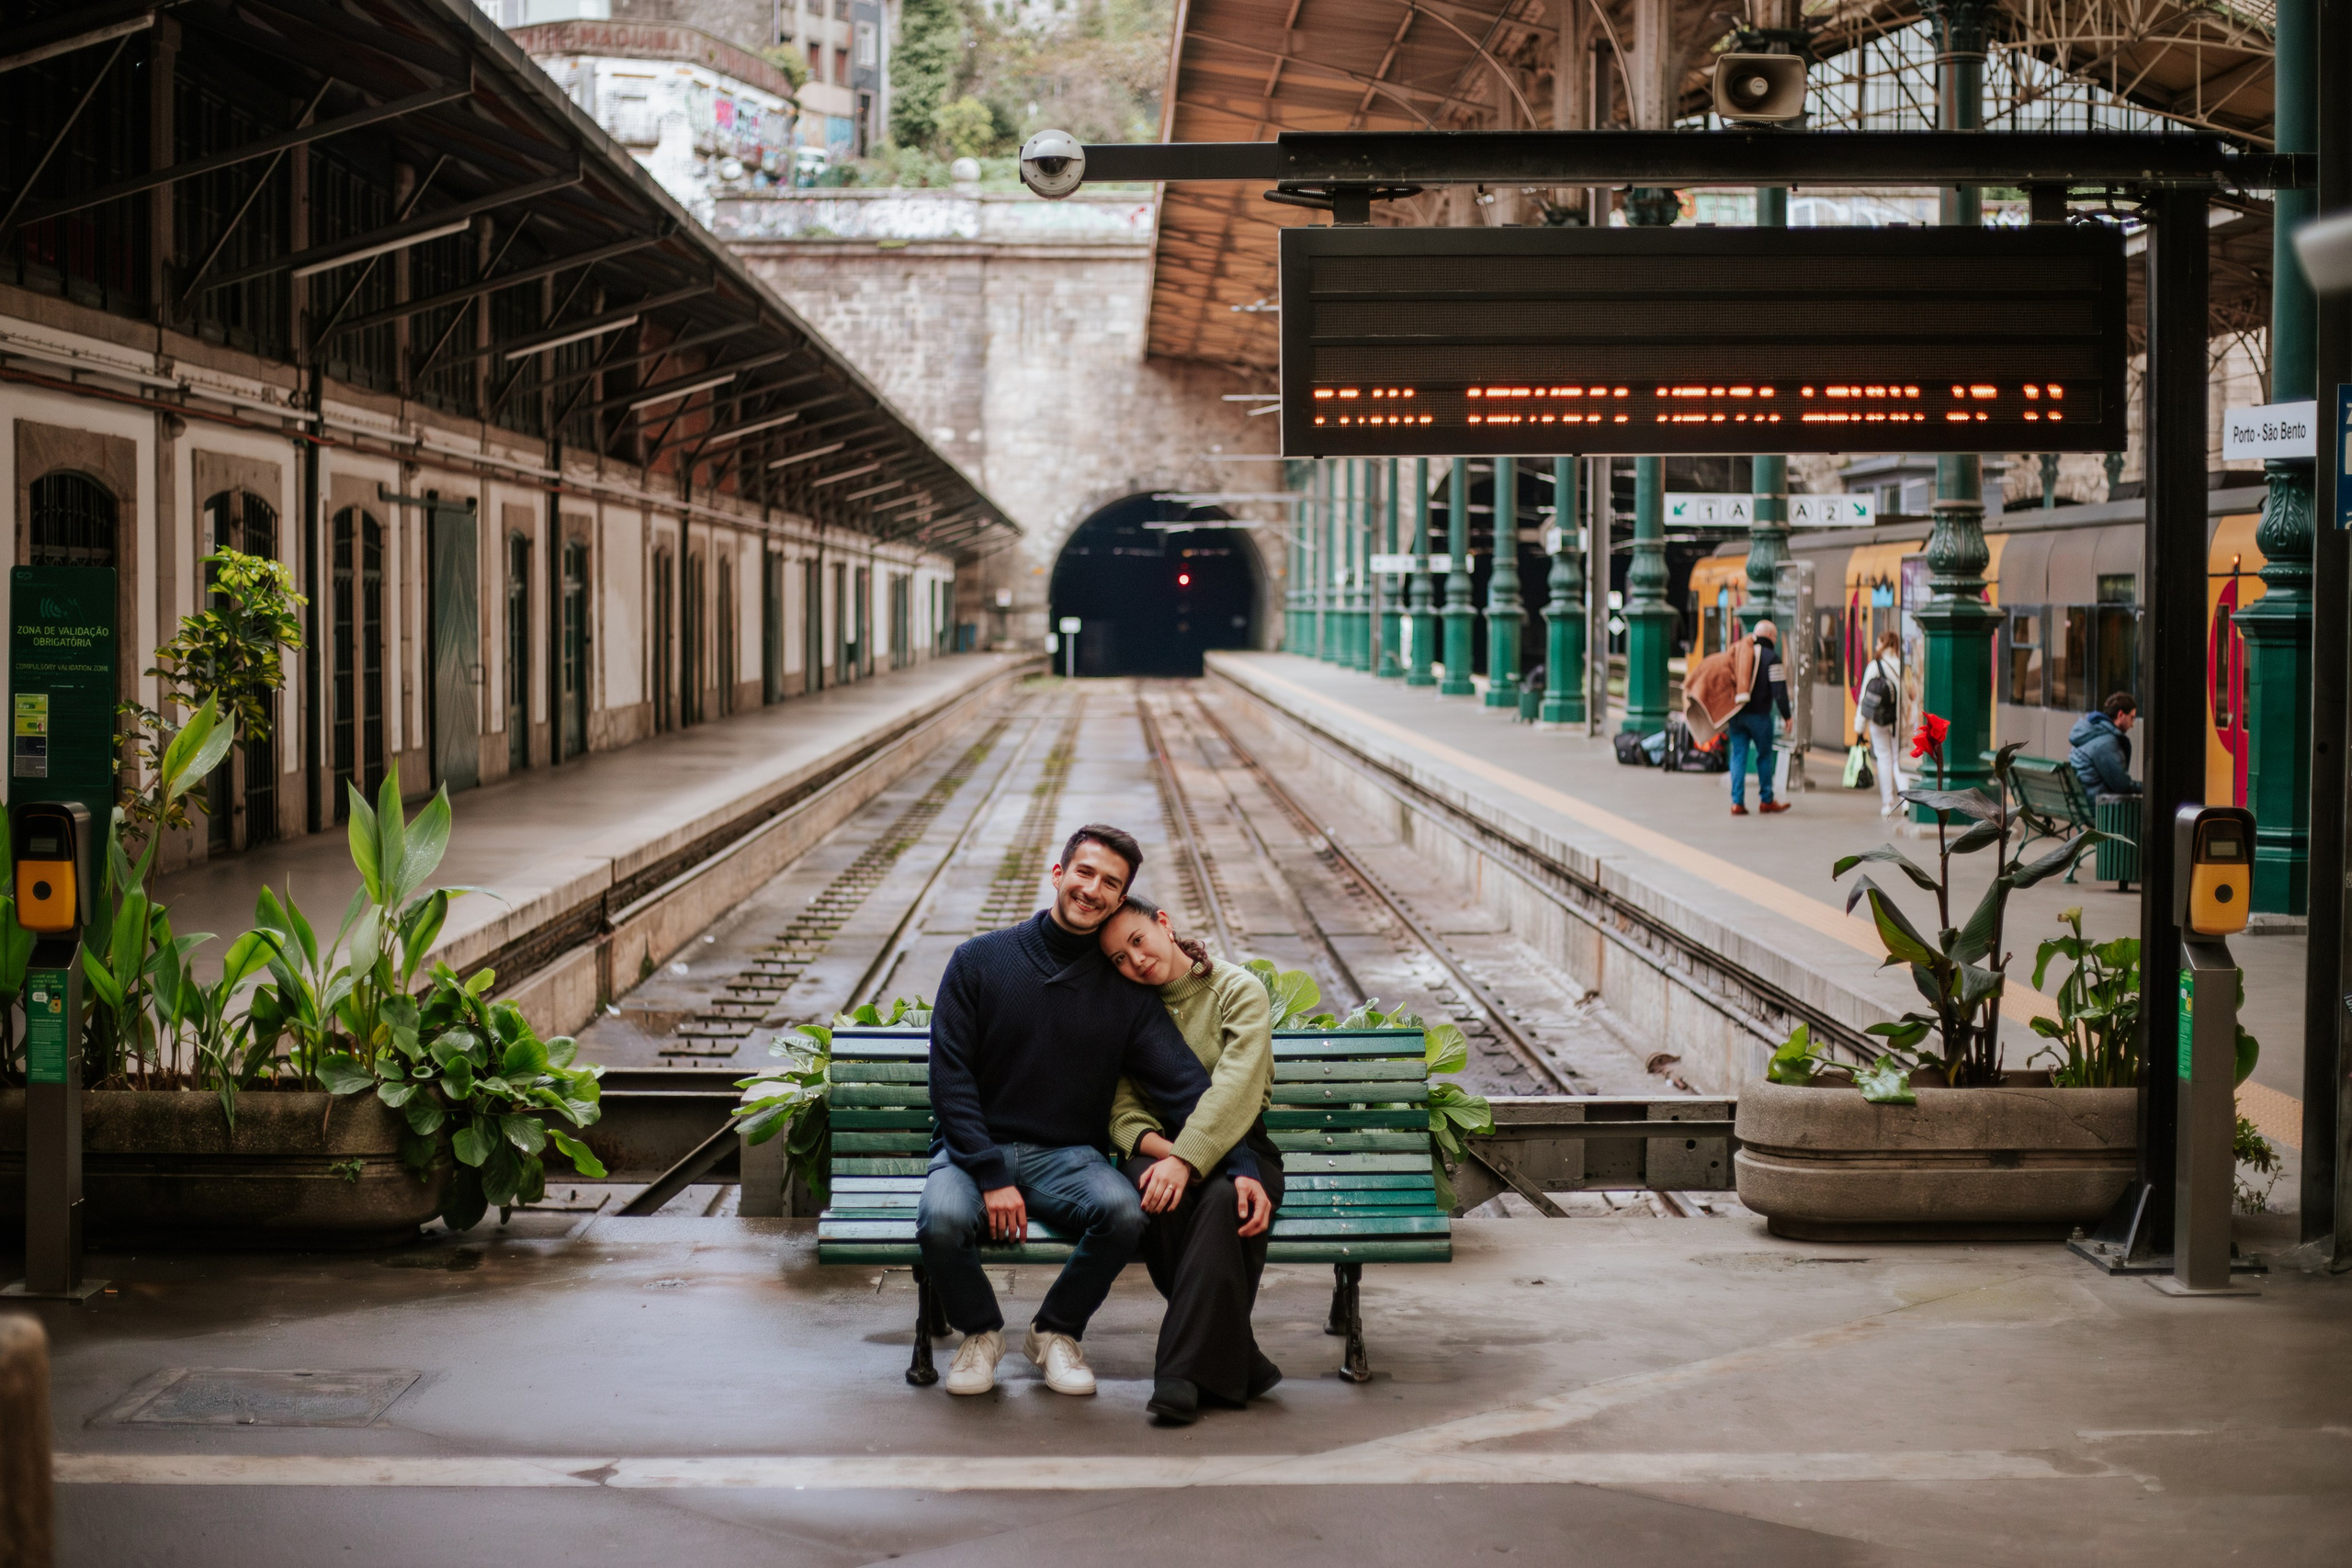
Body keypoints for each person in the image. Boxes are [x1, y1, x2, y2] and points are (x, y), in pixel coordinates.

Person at [918, 824, 1244, 1399]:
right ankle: (981, 1333)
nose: (1092, 889)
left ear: (1120, 899)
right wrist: (991, 1175)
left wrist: (1239, 1164)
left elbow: (1184, 1085)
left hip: (1067, 1156)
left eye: (1110, 883)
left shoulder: (1125, 990)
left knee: (1124, 1213)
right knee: (941, 1220)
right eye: (1085, 872)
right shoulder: (978, 960)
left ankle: (1055, 1332)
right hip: (973, 1152)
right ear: (1059, 874)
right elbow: (950, 1078)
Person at [1099, 896, 1282, 1426]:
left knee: (1224, 1199)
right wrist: (1172, 1157)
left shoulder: (1236, 990)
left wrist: (1189, 1158)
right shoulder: (1127, 1008)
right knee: (1162, 1198)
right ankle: (1238, 1355)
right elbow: (1123, 1114)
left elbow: (1236, 1091)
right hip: (1154, 1151)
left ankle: (1177, 1373)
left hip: (1243, 1145)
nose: (1135, 961)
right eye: (1118, 958)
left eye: (1138, 941)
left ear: (1164, 923)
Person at [1726, 619, 1792, 816]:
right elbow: (1779, 691)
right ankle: (1766, 800)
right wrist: (1787, 716)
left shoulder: (1739, 652)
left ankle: (1737, 802)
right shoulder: (1771, 657)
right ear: (1771, 636)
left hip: (1737, 714)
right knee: (1764, 756)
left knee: (1738, 755)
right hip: (1759, 716)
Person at [1855, 630, 1907, 818]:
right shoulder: (1902, 665)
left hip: (1879, 720)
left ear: (1884, 645)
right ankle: (1907, 801)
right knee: (1898, 759)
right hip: (1898, 721)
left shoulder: (1875, 666)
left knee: (1884, 758)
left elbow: (1865, 699)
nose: (1876, 647)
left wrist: (1859, 727)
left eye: (1878, 643)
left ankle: (1888, 803)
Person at [2069, 693, 2142, 799]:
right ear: (2121, 715)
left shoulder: (2090, 733)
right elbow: (2122, 786)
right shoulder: (2106, 743)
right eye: (2132, 718)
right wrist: (2148, 788)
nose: (2132, 724)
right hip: (2099, 804)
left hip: (2085, 800)